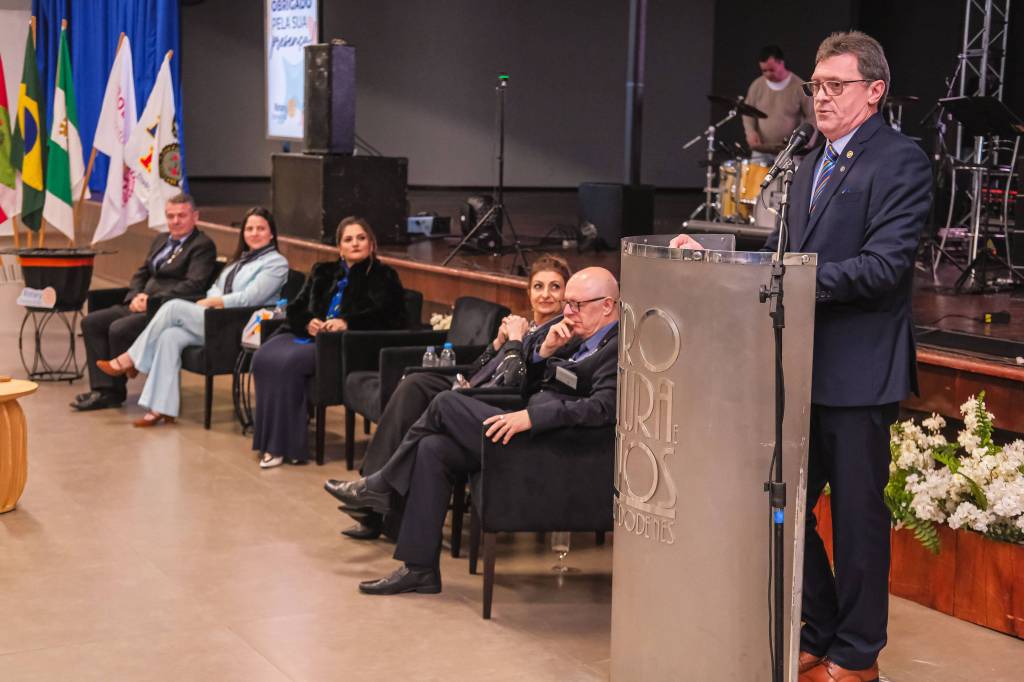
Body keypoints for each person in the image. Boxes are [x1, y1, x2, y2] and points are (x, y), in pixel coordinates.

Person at [673, 31, 931, 682]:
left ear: (875, 91)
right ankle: (817, 626)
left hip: (859, 371)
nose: (821, 97)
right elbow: (779, 251)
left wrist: (790, 276)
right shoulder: (807, 158)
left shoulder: (899, 161)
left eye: (836, 86)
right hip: (796, 367)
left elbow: (883, 267)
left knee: (857, 520)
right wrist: (721, 260)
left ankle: (858, 652)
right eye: (816, 86)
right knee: (777, 506)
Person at [326, 267, 620, 595]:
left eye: (576, 304)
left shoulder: (617, 348)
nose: (568, 312)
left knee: (445, 403)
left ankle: (381, 484)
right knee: (433, 448)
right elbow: (527, 383)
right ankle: (419, 569)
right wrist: (545, 352)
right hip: (525, 429)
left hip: (549, 447)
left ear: (607, 305)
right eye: (568, 304)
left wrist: (533, 418)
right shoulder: (573, 335)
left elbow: (604, 408)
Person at [335, 253, 572, 539]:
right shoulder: (524, 326)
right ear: (528, 292)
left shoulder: (558, 335)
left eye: (555, 287)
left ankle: (374, 498)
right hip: (473, 388)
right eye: (538, 286)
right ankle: (373, 491)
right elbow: (477, 370)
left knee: (426, 421)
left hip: (494, 405)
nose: (545, 294)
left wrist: (514, 342)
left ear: (566, 295)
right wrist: (497, 344)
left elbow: (515, 382)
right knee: (414, 385)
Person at [96, 207, 289, 426]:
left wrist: (214, 302)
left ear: (271, 233)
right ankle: (161, 408)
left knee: (173, 307)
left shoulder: (276, 263)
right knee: (170, 336)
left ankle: (130, 359)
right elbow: (215, 288)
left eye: (261, 229)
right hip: (217, 319)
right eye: (249, 229)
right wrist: (214, 300)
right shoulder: (238, 261)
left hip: (241, 326)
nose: (254, 233)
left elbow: (250, 298)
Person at [251, 216, 406, 469]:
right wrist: (308, 322)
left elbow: (391, 317)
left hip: (342, 347)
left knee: (288, 363)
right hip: (309, 336)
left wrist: (347, 323)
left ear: (371, 244)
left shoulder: (384, 276)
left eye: (361, 238)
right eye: (348, 239)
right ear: (339, 247)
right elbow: (296, 307)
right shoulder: (322, 271)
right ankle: (271, 440)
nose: (355, 244)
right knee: (263, 357)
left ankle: (281, 447)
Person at [74, 193, 217, 411]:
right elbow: (142, 273)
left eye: (181, 216)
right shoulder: (161, 240)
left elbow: (194, 284)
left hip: (163, 310)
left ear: (195, 217)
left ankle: (117, 383)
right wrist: (135, 296)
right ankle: (104, 390)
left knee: (119, 329)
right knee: (91, 322)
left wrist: (151, 301)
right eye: (170, 216)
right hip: (140, 303)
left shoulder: (202, 245)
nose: (175, 221)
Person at [743, 45, 816, 165]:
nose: (767, 74)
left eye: (771, 70)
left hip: (789, 150)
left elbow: (812, 116)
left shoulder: (799, 87)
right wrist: (750, 132)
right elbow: (746, 112)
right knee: (755, 177)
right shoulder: (757, 86)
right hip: (762, 150)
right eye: (764, 71)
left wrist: (808, 140)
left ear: (781, 63)